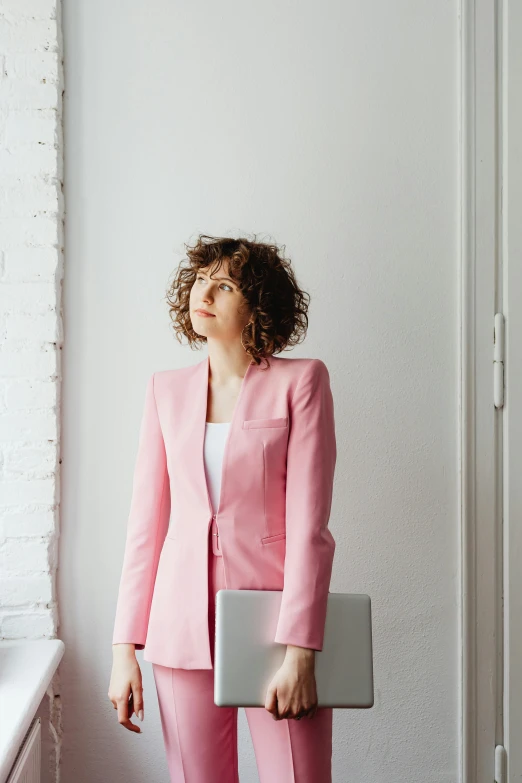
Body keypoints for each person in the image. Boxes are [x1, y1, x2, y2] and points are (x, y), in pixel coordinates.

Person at [108, 235, 337, 782]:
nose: (203, 292)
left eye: (225, 284)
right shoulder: (165, 390)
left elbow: (310, 527)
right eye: (200, 280)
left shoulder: (301, 382)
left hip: (276, 626)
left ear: (256, 302)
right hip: (180, 627)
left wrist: (301, 649)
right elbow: (145, 528)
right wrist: (124, 650)